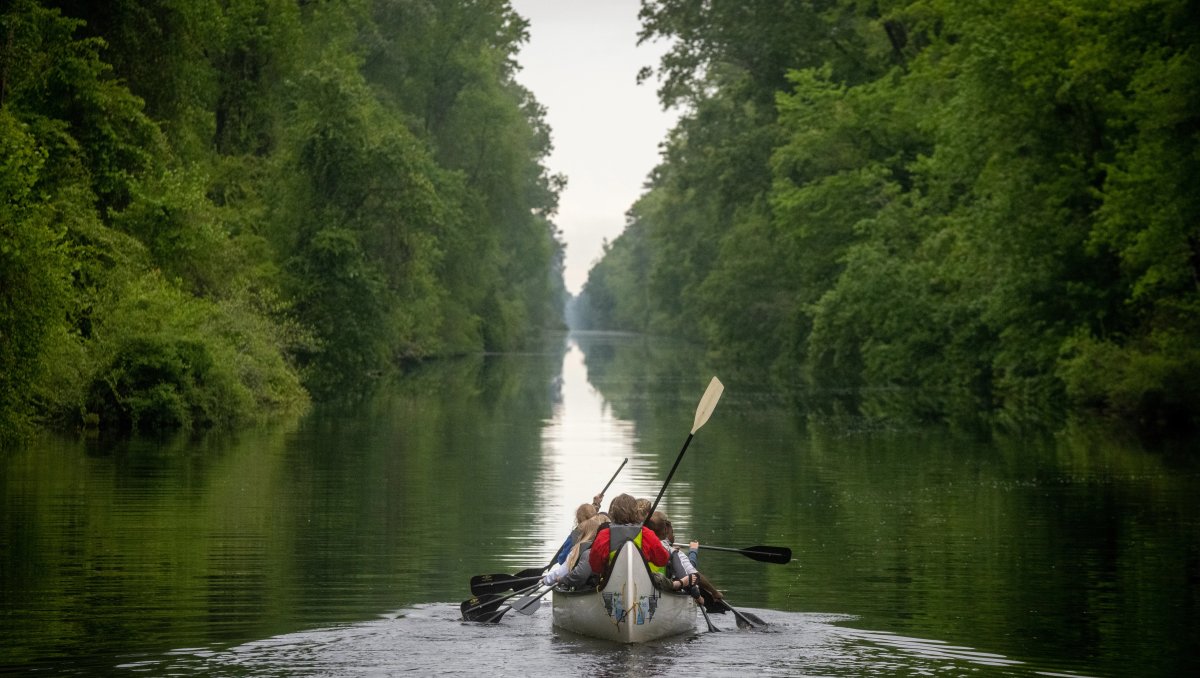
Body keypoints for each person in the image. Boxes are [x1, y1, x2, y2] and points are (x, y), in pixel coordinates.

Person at [588, 493, 669, 579]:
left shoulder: (603, 535)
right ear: (635, 512)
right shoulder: (647, 534)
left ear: (614, 512)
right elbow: (662, 560)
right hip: (642, 582)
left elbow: (595, 566)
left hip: (611, 584)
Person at [542, 514, 605, 590]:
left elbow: (563, 571)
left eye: (580, 533)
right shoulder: (602, 549)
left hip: (582, 590)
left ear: (584, 534)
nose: (578, 536)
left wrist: (546, 580)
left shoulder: (579, 550)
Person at [551, 493, 605, 566]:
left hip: (573, 570)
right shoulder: (601, 532)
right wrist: (596, 504)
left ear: (578, 519)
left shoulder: (574, 536)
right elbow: (591, 517)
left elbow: (561, 560)